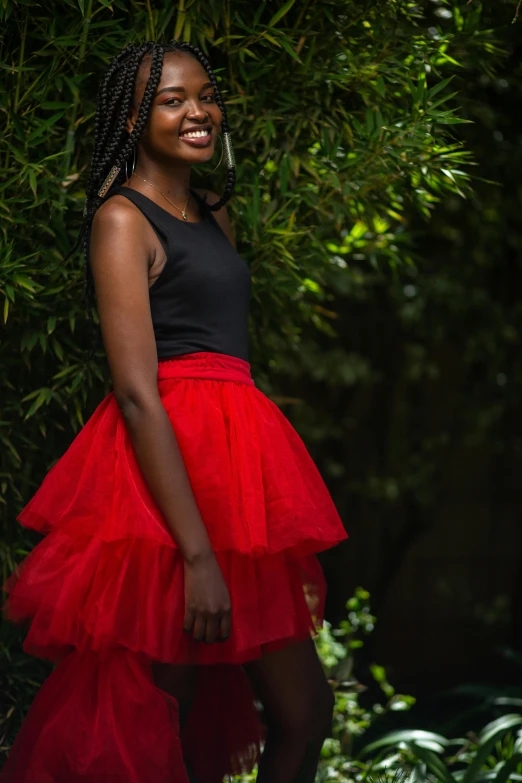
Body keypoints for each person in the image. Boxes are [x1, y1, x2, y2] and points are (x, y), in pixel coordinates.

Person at [0, 40, 348, 783]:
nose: (198, 111)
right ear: (132, 119)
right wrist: (196, 555)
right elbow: (135, 390)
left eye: (206, 95)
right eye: (171, 99)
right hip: (164, 484)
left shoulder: (213, 212)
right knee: (164, 716)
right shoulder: (122, 221)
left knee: (304, 709)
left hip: (237, 469)